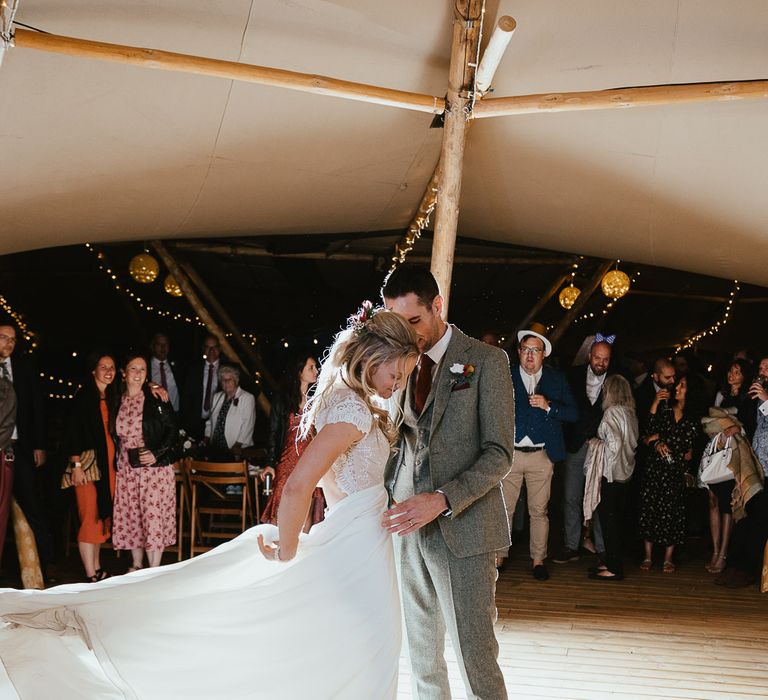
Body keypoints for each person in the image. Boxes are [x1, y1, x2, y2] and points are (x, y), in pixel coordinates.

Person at [0, 306, 419, 700]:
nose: (398, 383)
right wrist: (290, 549)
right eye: (396, 372)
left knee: (351, 649)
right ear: (369, 356)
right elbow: (298, 486)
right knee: (368, 649)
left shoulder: (349, 403)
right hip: (356, 549)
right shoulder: (354, 412)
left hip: (360, 543)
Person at [382, 265, 515, 700]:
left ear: (437, 306)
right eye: (398, 324)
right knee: (422, 660)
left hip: (465, 531)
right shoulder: (399, 364)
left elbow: (499, 454)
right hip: (406, 531)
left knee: (475, 657)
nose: (408, 334)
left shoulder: (487, 361)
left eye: (414, 322)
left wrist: (440, 499)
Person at [502, 328, 577, 580]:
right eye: (525, 350)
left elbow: (573, 414)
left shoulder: (556, 379)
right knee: (504, 508)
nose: (530, 356)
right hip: (509, 454)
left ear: (544, 355)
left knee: (539, 510)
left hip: (541, 454)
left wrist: (549, 406)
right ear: (519, 353)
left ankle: (538, 560)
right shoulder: (506, 376)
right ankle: (499, 556)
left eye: (535, 351)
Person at [112, 352, 179, 572]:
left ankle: (153, 569)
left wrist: (156, 453)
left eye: (143, 369)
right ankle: (136, 564)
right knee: (133, 515)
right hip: (126, 467)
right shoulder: (117, 398)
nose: (138, 373)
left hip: (153, 468)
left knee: (152, 516)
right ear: (124, 372)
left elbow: (172, 431)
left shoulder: (155, 397)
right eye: (134, 368)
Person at [0, 322, 55, 581]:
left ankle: (48, 563)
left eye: (12, 339)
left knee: (32, 504)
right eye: (3, 338)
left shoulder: (24, 369)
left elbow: (37, 407)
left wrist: (39, 445)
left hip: (19, 447)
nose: (8, 344)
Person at [554, 334, 613, 564]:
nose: (601, 363)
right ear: (589, 356)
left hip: (600, 446)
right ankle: (571, 546)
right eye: (597, 358)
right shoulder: (572, 375)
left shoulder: (616, 380)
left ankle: (602, 547)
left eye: (605, 359)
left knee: (598, 497)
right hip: (575, 444)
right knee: (570, 496)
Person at [62, 352, 119, 582]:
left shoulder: (109, 396)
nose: (108, 371)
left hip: (107, 469)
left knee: (98, 517)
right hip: (86, 467)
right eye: (103, 366)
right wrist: (76, 465)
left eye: (112, 367)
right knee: (88, 516)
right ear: (93, 371)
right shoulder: (85, 396)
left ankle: (96, 568)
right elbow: (72, 433)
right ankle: (90, 574)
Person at [638, 378, 698, 572]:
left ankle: (668, 558)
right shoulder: (664, 410)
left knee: (674, 511)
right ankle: (647, 556)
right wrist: (654, 440)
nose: (678, 388)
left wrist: (660, 438)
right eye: (678, 385)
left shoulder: (691, 417)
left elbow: (686, 441)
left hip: (676, 471)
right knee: (651, 508)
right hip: (656, 469)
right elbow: (648, 431)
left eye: (683, 385)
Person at [583, 375, 638, 581]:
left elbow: (613, 444)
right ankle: (611, 562)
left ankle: (614, 568)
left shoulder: (611, 413)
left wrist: (596, 443)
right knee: (616, 521)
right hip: (626, 473)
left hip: (610, 474)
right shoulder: (631, 413)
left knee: (609, 522)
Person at [260, 353, 325, 529]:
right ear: (299, 372)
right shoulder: (283, 399)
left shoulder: (317, 400)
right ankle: (277, 551)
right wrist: (270, 463)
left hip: (310, 462)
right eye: (310, 367)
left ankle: (302, 553)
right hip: (287, 460)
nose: (316, 370)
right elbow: (274, 432)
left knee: (307, 510)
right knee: (280, 508)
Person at [705, 359, 757, 573]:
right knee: (713, 500)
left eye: (737, 372)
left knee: (729, 502)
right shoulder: (721, 395)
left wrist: (737, 428)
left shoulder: (748, 398)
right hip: (717, 451)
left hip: (735, 455)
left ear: (744, 376)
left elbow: (749, 426)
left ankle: (724, 552)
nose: (732, 375)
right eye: (730, 370)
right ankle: (715, 550)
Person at [203, 364, 256, 462]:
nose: (226, 382)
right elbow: (210, 421)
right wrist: (206, 438)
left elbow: (248, 425)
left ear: (236, 381)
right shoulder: (216, 397)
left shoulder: (247, 398)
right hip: (215, 447)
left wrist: (238, 444)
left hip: (234, 449)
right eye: (223, 380)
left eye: (229, 379)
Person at [180, 334, 222, 440]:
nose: (211, 350)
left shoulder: (228, 369)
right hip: (195, 423)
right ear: (203, 349)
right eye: (208, 347)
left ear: (219, 349)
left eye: (214, 347)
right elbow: (186, 396)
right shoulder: (193, 369)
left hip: (219, 424)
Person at [149, 332, 182, 412]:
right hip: (155, 413)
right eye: (159, 344)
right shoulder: (146, 366)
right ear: (153, 346)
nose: (163, 347)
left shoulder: (178, 366)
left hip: (175, 412)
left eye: (165, 344)